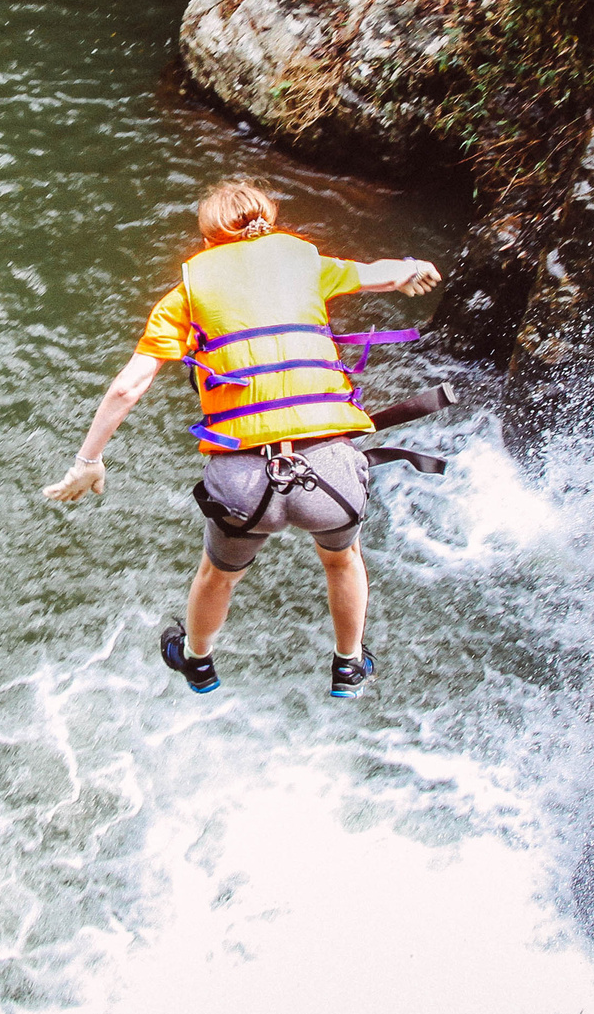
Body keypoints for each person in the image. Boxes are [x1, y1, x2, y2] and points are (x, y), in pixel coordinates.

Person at [42, 179, 441, 699]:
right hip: (330, 477)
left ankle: (198, 662)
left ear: (209, 239)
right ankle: (347, 665)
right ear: (269, 222)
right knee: (343, 559)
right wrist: (411, 268)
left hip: (244, 483)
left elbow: (127, 387)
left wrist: (87, 460)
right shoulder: (306, 263)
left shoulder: (186, 293)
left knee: (218, 575)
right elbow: (376, 276)